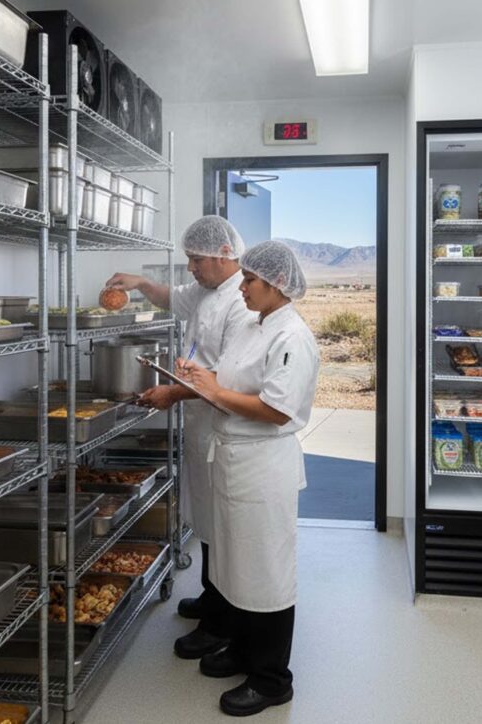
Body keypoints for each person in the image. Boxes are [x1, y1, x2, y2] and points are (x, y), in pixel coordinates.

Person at [177, 240, 320, 717]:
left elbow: (277, 410)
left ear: (277, 284)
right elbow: (230, 376)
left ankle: (271, 678)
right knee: (234, 565)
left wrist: (215, 392)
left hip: (262, 467)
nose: (242, 287)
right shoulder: (253, 325)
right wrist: (201, 376)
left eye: (251, 280)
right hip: (233, 460)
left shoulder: (292, 337)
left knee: (265, 572)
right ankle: (241, 649)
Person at [104, 215, 252, 660]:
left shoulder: (241, 302)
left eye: (195, 260)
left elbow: (227, 379)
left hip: (224, 426)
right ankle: (211, 596)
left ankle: (222, 623)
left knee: (222, 526)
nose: (190, 267)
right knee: (205, 517)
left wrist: (172, 392)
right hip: (202, 422)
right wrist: (139, 283)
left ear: (223, 255)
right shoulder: (207, 290)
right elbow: (171, 297)